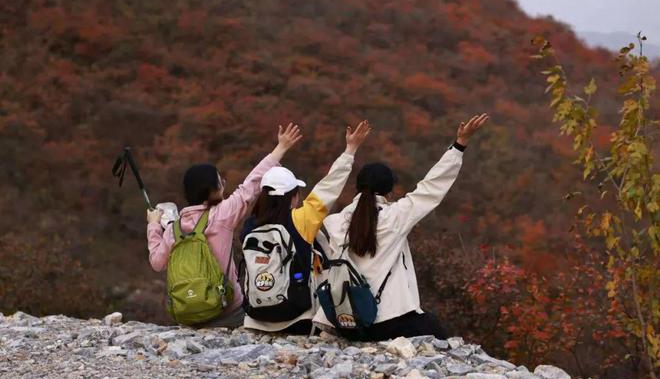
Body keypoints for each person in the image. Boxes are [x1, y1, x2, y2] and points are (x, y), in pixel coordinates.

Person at [312, 114, 489, 341]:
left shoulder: (335, 222)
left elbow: (324, 191)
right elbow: (431, 188)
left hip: (342, 322)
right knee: (437, 332)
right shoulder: (395, 217)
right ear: (389, 191)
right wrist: (459, 145)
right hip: (384, 323)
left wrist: (349, 151)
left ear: (357, 188)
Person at [146, 123, 302, 328]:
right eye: (221, 182)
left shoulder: (174, 229)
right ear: (213, 190)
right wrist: (280, 148)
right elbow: (251, 185)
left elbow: (157, 262)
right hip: (227, 312)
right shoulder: (222, 214)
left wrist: (154, 226)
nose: (224, 184)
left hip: (187, 313)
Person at [241, 120, 371, 334]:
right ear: (292, 196)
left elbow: (250, 182)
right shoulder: (301, 220)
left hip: (255, 316)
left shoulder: (249, 227)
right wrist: (350, 150)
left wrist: (279, 148)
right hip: (297, 317)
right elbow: (329, 187)